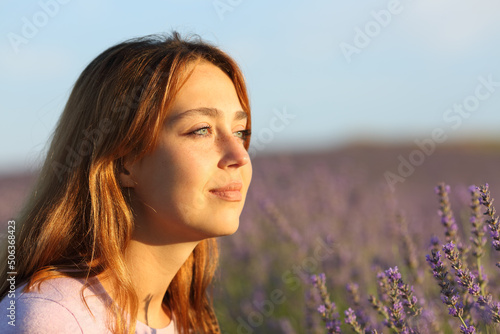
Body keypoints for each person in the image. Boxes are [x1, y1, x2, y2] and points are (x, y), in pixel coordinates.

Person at [0, 32, 253, 334]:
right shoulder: (54, 319)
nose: (239, 155)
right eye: (201, 130)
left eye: (240, 131)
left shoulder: (185, 319)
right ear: (123, 162)